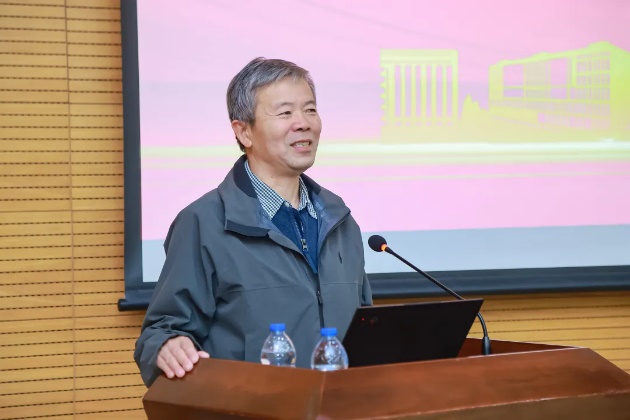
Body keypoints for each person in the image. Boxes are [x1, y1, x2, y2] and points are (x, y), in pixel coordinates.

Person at [134, 57, 373, 386]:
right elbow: (163, 330)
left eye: (310, 110)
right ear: (243, 131)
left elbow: (365, 330)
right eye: (285, 113)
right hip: (251, 404)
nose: (303, 123)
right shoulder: (203, 223)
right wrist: (166, 346)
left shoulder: (339, 219)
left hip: (342, 404)